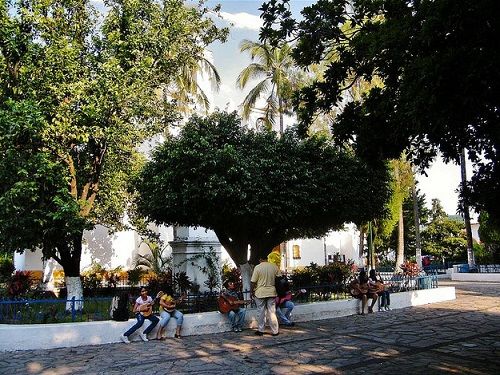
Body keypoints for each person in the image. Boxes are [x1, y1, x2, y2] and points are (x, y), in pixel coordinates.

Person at [251, 253, 280, 336]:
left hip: (260, 292)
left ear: (260, 259)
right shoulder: (274, 267)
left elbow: (253, 281)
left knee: (260, 312)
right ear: (267, 258)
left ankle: (261, 330)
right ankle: (275, 331)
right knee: (272, 312)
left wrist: (251, 291)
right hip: (272, 292)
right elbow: (279, 278)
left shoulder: (258, 267)